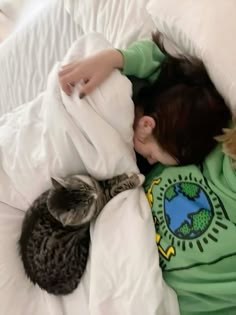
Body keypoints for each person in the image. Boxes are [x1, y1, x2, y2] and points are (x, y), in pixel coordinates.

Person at [58, 32, 231, 167]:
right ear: (146, 125)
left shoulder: (150, 146)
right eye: (151, 155)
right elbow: (153, 55)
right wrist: (112, 58)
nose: (150, 162)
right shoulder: (146, 84)